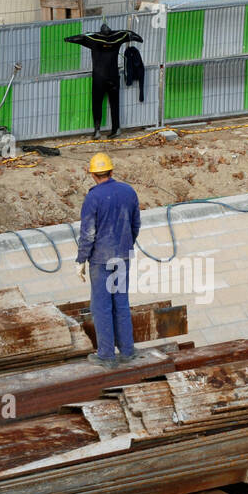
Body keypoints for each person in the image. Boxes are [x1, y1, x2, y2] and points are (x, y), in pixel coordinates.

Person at [76, 152, 141, 367]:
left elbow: (88, 233)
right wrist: (125, 245)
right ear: (112, 171)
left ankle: (106, 355)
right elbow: (135, 225)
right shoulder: (128, 191)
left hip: (101, 260)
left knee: (101, 307)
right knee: (121, 303)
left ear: (93, 175)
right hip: (122, 257)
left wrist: (81, 260)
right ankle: (127, 351)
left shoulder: (93, 197)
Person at [65, 23, 144, 139]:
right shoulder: (117, 38)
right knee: (114, 103)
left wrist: (68, 39)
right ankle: (116, 129)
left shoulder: (93, 39)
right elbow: (131, 35)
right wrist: (137, 38)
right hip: (113, 77)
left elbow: (79, 38)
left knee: (97, 104)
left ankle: (97, 131)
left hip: (99, 78)